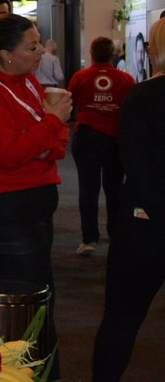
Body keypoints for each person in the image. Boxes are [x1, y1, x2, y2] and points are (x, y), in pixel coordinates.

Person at [0, 13, 72, 380]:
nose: (41, 52)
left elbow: (55, 144)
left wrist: (44, 136)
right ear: (6, 54)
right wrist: (50, 124)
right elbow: (8, 154)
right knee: (29, 299)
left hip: (30, 201)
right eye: (33, 47)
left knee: (39, 295)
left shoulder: (27, 82)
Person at [89, 17, 165, 382]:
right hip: (145, 224)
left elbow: (134, 166)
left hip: (143, 228)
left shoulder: (142, 96)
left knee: (120, 320)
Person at [67, 36, 136, 256]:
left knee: (88, 189)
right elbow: (131, 111)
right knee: (114, 189)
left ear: (91, 54)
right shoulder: (126, 79)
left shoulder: (80, 77)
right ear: (113, 54)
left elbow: (69, 105)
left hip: (87, 137)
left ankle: (89, 239)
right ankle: (116, 234)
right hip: (115, 139)